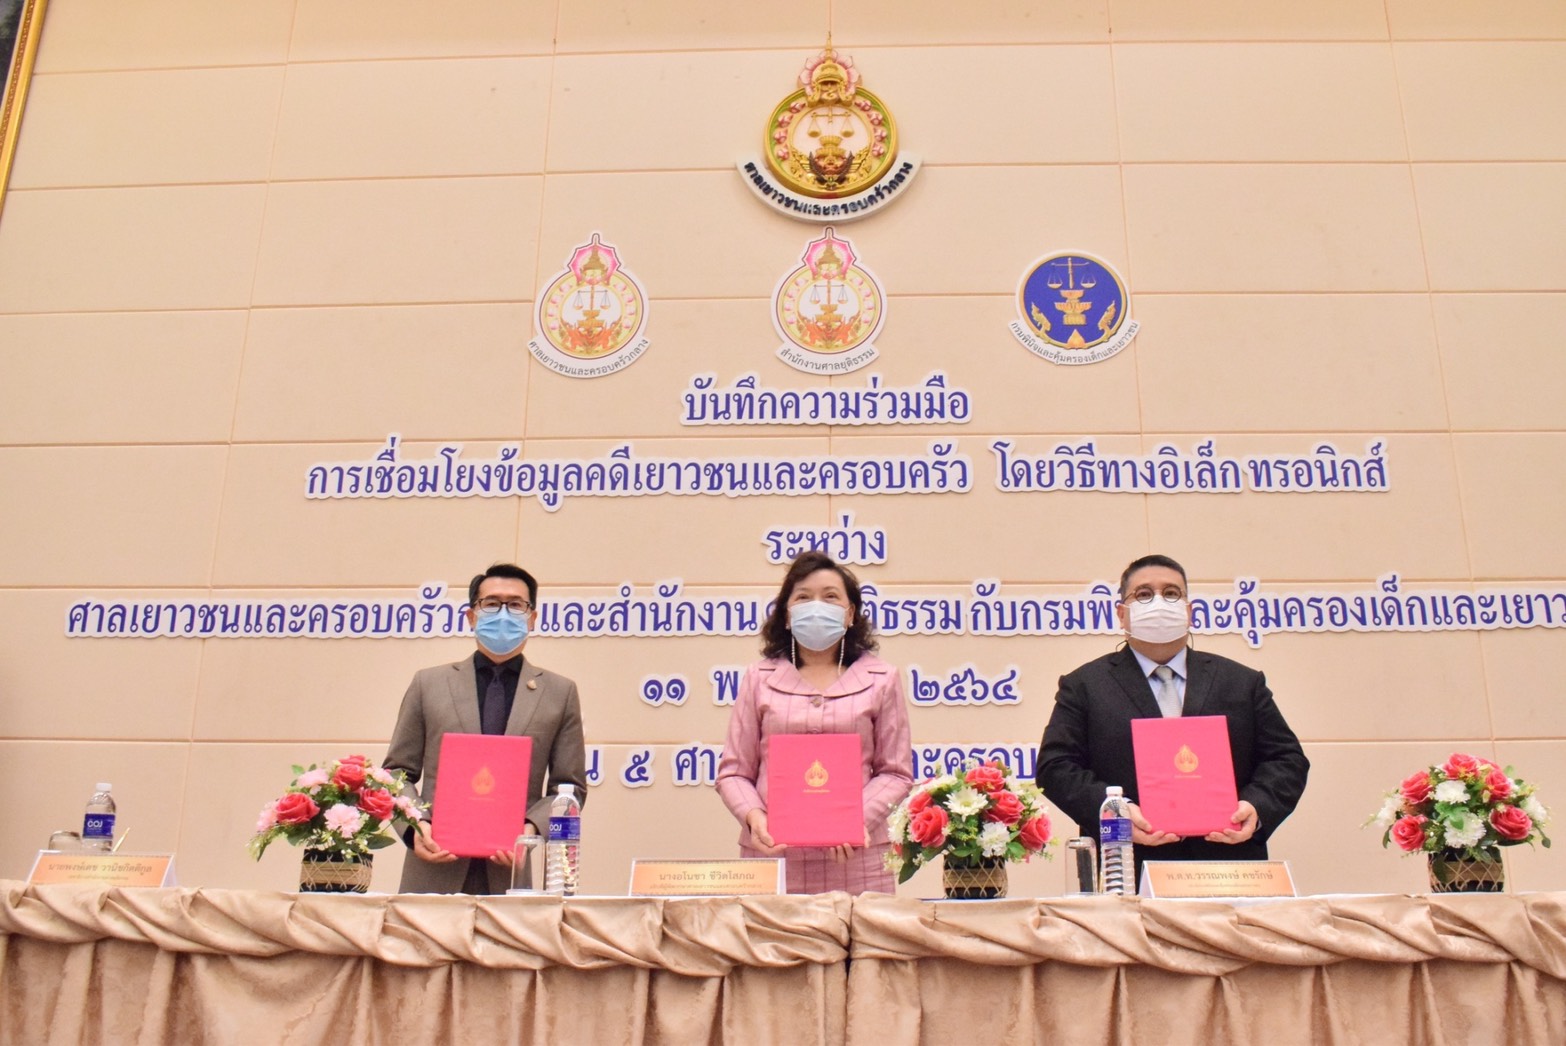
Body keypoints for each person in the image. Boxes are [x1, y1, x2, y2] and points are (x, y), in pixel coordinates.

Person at [1037, 554, 1308, 869]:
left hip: (1228, 865)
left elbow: (1286, 760)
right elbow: (1056, 767)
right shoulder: (1085, 685)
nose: (1158, 603)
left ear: (1189, 611)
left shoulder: (1241, 682)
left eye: (1171, 593)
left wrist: (1256, 806)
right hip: (1126, 867)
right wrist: (1116, 813)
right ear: (1121, 614)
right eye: (1143, 594)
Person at [716, 551, 913, 894]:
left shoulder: (882, 679)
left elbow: (895, 772)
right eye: (803, 597)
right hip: (773, 858)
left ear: (849, 614)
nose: (816, 606)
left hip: (859, 861)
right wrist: (754, 817)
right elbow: (734, 773)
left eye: (831, 596)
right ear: (787, 614)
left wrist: (853, 819)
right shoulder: (758, 678)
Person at [385, 563, 587, 893]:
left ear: (532, 618)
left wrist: (530, 831)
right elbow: (395, 773)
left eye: (516, 604)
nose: (503, 613)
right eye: (491, 603)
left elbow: (570, 787)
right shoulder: (428, 684)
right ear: (471, 616)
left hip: (511, 875)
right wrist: (414, 826)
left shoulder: (559, 692)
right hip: (432, 871)